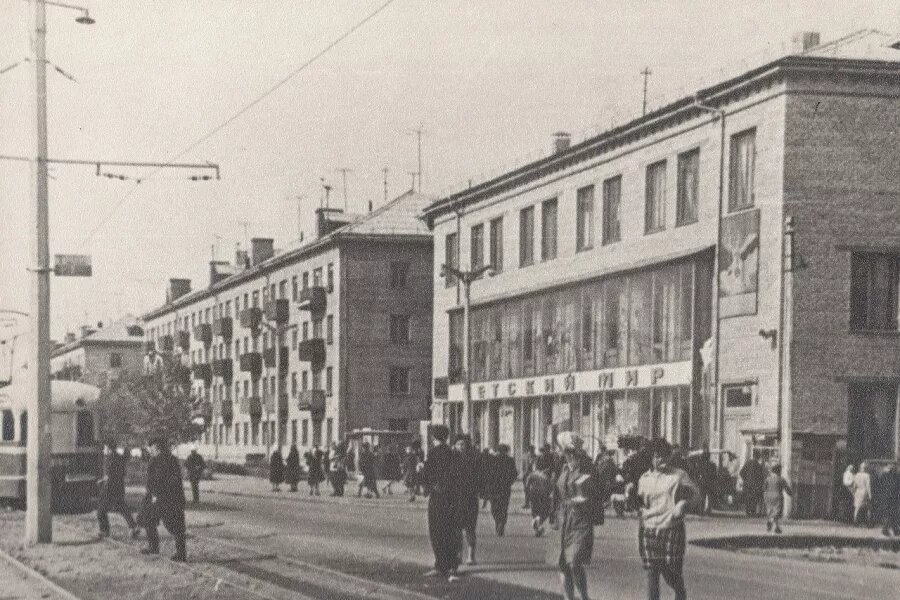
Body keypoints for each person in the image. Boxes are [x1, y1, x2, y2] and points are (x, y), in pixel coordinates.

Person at [637, 438, 699, 600]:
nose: (660, 460)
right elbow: (640, 502)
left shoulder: (678, 476)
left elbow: (695, 495)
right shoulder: (644, 479)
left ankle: (680, 592)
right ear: (651, 458)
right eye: (656, 456)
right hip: (649, 528)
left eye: (664, 456)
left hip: (672, 528)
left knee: (671, 570)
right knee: (652, 572)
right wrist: (636, 503)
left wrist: (683, 504)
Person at [552, 432, 604, 600]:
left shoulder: (588, 467)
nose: (558, 451)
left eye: (560, 448)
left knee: (574, 562)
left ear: (567, 450)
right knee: (562, 563)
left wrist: (587, 500)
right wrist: (545, 516)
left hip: (581, 519)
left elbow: (598, 493)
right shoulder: (562, 466)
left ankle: (584, 597)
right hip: (562, 519)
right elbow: (556, 493)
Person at [422, 425, 461, 581]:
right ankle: (452, 566)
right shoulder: (453, 453)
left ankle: (441, 565)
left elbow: (427, 474)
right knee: (451, 530)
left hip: (438, 497)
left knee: (437, 531)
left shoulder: (433, 453)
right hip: (452, 497)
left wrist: (429, 487)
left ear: (433, 438)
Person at [142, 438, 187, 562]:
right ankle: (158, 548)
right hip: (165, 498)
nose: (151, 450)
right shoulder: (168, 459)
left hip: (164, 498)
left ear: (157, 448)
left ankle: (175, 553)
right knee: (151, 520)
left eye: (152, 448)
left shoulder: (161, 460)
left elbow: (159, 480)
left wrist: (156, 494)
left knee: (171, 525)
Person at [97, 444, 140, 539]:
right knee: (122, 507)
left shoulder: (109, 459)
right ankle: (134, 526)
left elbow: (110, 475)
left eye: (105, 448)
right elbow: (120, 474)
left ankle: (105, 531)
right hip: (119, 487)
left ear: (109, 448)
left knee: (101, 510)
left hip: (110, 488)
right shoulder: (119, 457)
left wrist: (103, 483)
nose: (104, 450)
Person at [453, 434, 482, 565]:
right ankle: (458, 555)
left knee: (470, 528)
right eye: (458, 444)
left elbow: (479, 477)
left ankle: (471, 556)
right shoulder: (451, 459)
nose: (461, 447)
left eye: (463, 444)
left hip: (470, 498)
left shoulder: (474, 459)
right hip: (456, 498)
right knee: (457, 529)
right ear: (454, 445)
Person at [489, 444, 518, 536]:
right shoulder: (510, 460)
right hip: (505, 487)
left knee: (494, 506)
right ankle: (501, 522)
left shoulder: (492, 460)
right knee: (504, 506)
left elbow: (488, 473)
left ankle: (498, 521)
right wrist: (510, 482)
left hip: (494, 487)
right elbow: (514, 473)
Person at [526, 459, 555, 536]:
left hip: (533, 494)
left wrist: (528, 495)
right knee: (544, 511)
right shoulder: (546, 476)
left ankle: (537, 524)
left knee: (534, 510)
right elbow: (550, 487)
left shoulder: (532, 474)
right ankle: (539, 523)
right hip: (543, 494)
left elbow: (527, 484)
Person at [763, 463, 792, 533]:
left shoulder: (768, 478)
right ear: (779, 471)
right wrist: (790, 493)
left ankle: (777, 527)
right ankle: (771, 521)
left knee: (770, 511)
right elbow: (787, 489)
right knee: (776, 512)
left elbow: (764, 488)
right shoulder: (781, 479)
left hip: (768, 496)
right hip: (778, 497)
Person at [880, 462, 900, 537]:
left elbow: (881, 486)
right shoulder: (896, 476)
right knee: (893, 514)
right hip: (893, 498)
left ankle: (891, 530)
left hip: (886, 497)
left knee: (889, 514)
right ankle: (891, 530)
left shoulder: (884, 475)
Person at [852, 461, 873, 526]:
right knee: (868, 508)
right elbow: (868, 486)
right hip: (864, 492)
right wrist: (870, 495)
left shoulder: (856, 475)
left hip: (858, 491)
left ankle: (855, 521)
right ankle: (868, 522)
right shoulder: (867, 475)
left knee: (857, 507)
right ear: (866, 468)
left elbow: (854, 486)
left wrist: (854, 493)